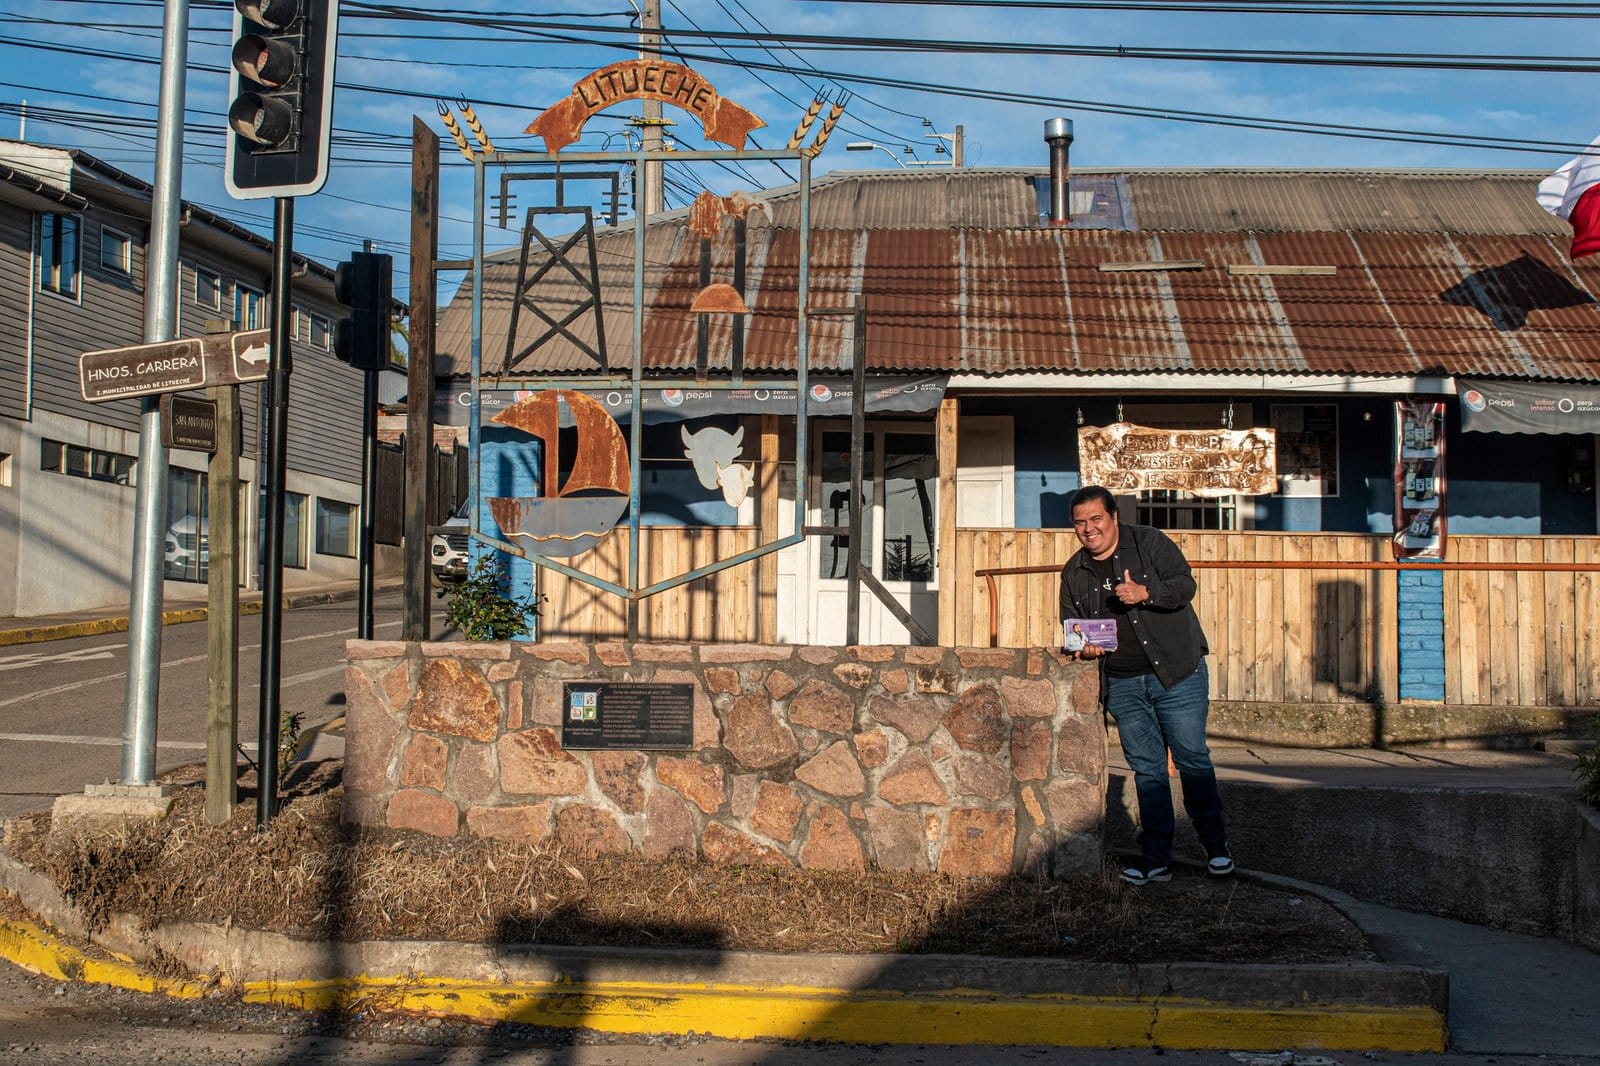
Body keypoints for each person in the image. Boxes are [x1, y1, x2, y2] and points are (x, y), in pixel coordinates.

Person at [1058, 485, 1233, 886]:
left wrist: (1145, 592)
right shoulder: (1074, 572)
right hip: (1122, 683)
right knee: (1147, 770)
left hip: (1177, 672)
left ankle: (1217, 849)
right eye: (1080, 522)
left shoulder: (1150, 543)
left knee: (1192, 759)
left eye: (1096, 519)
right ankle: (1156, 858)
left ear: (1114, 517)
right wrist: (1083, 649)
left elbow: (1185, 586)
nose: (1089, 529)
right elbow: (1070, 629)